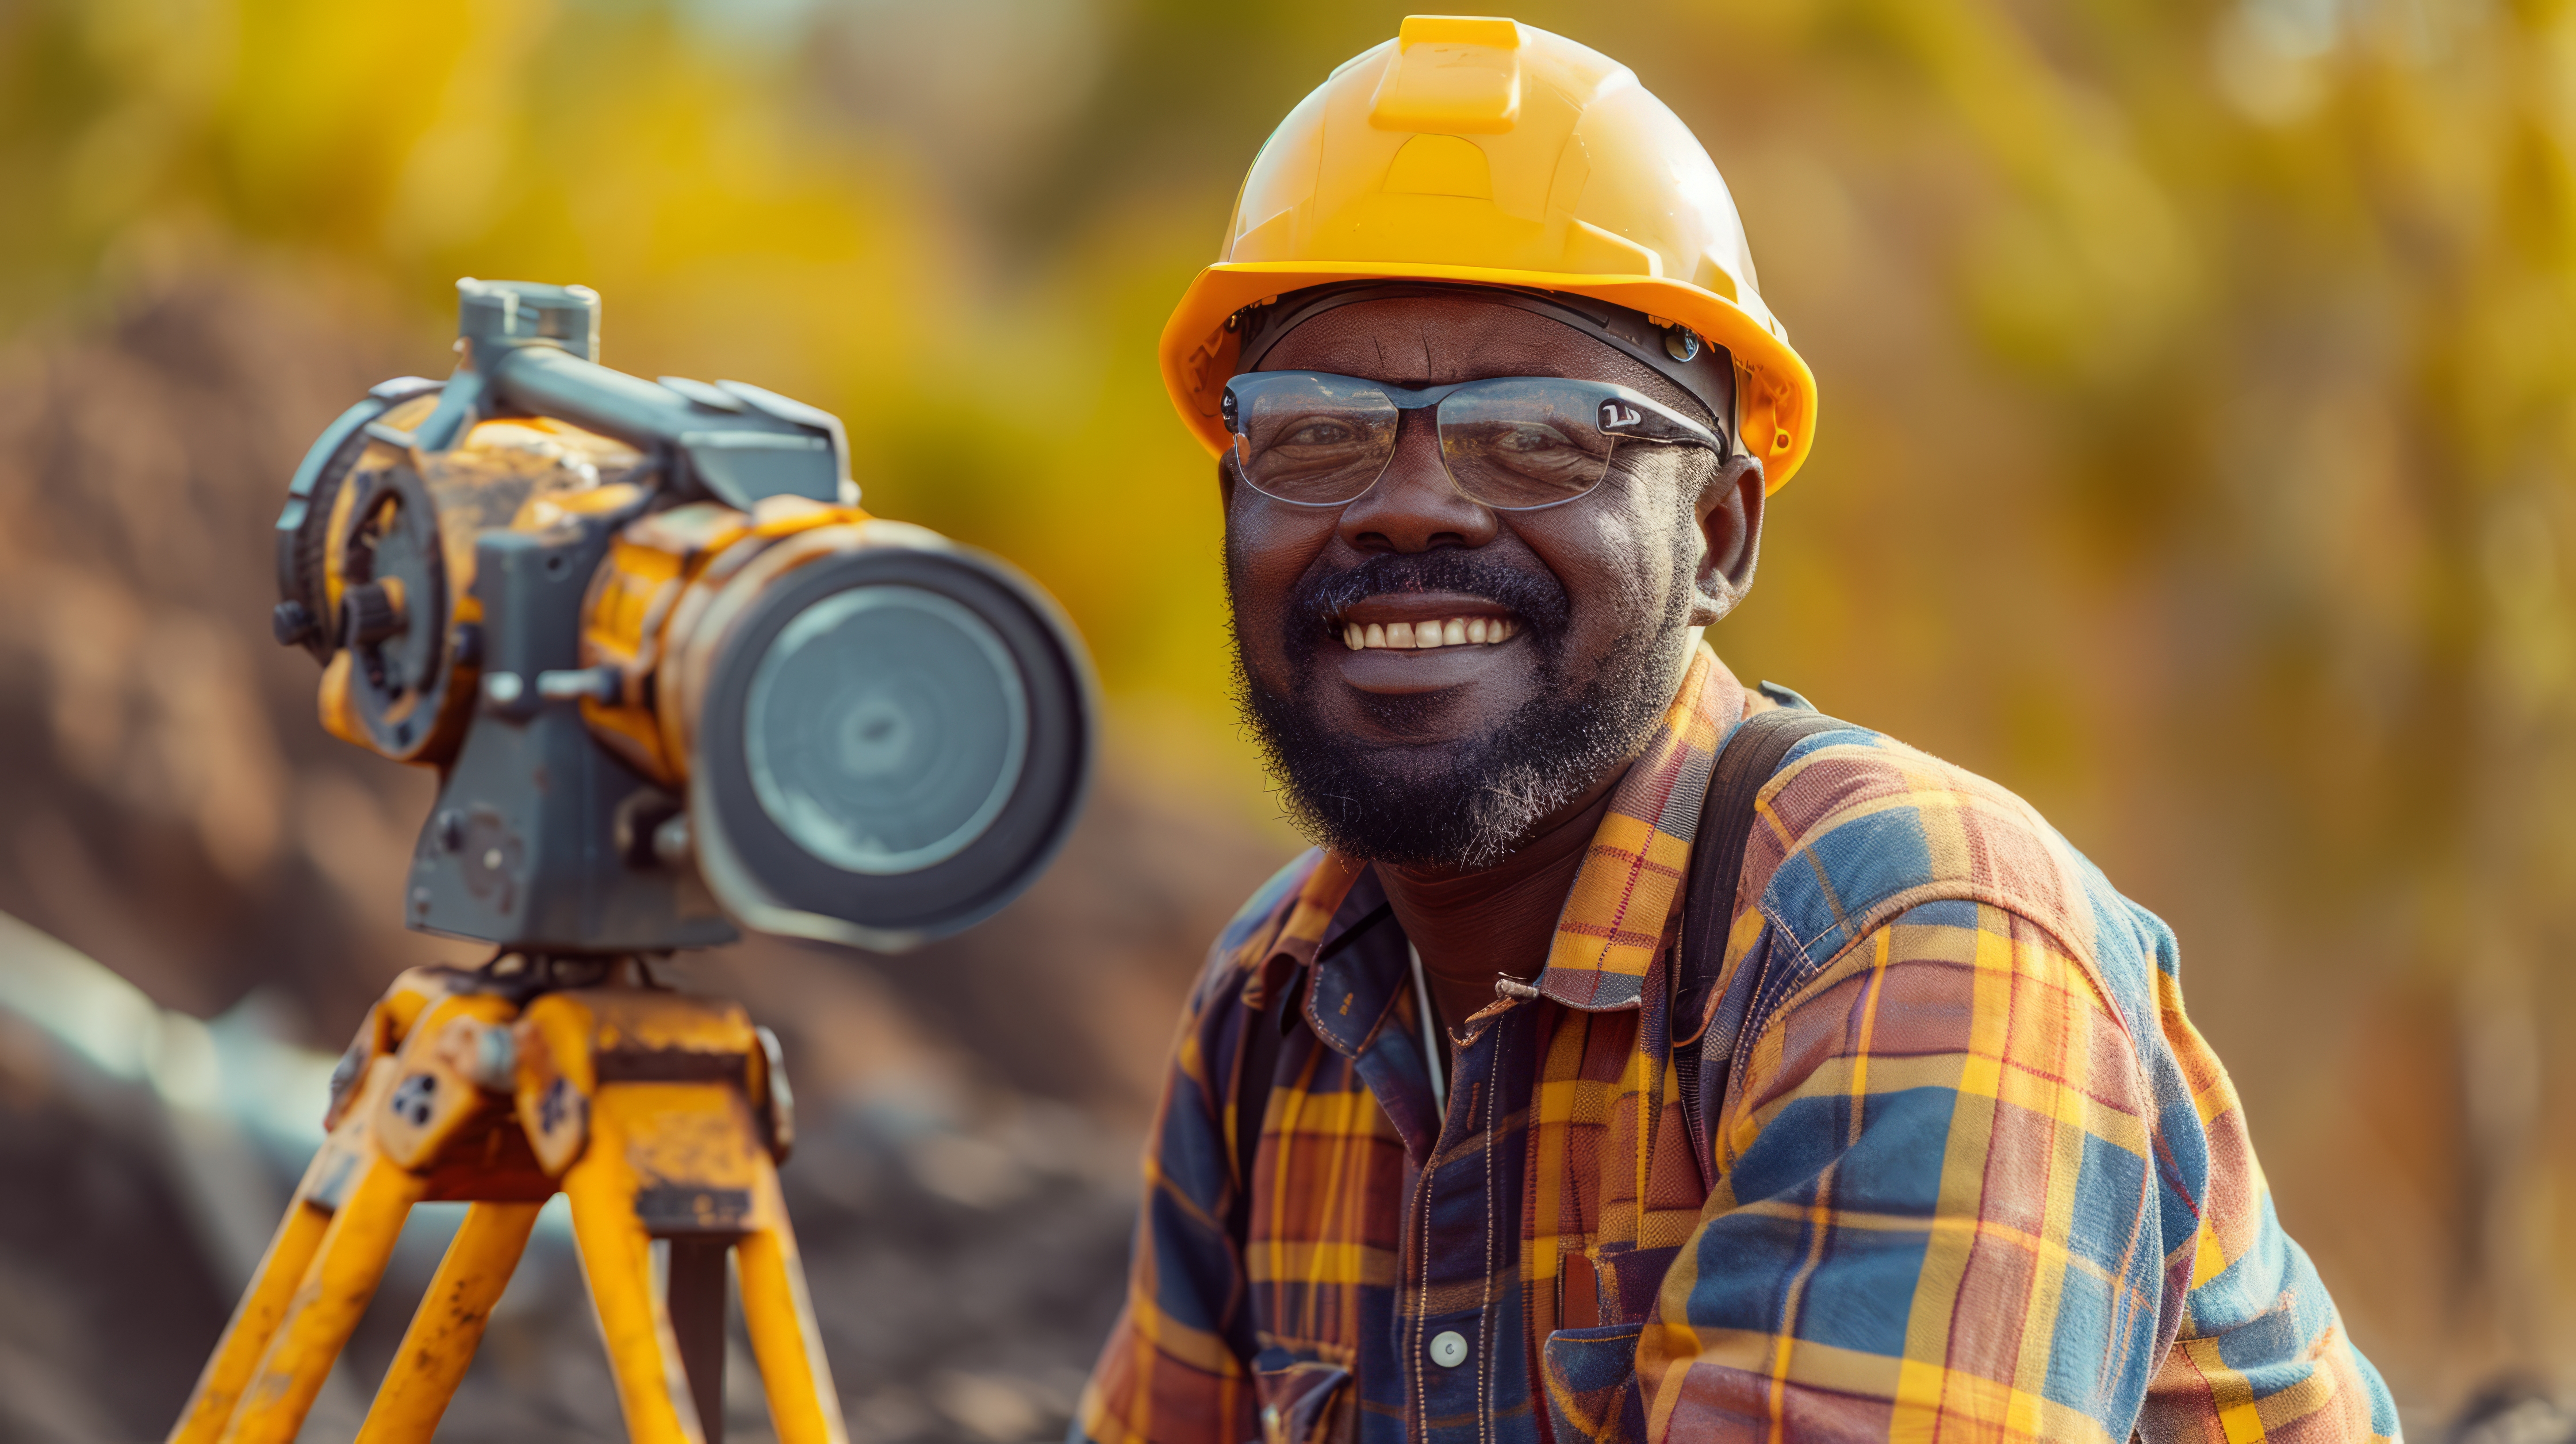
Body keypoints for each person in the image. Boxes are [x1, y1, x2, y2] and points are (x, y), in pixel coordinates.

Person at [1074, 16, 2397, 1444]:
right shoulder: (1276, 1013)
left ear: (1717, 533)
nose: (1408, 504)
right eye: (1317, 432)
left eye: (1536, 435)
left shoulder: (1910, 940)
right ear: (1238, 517)